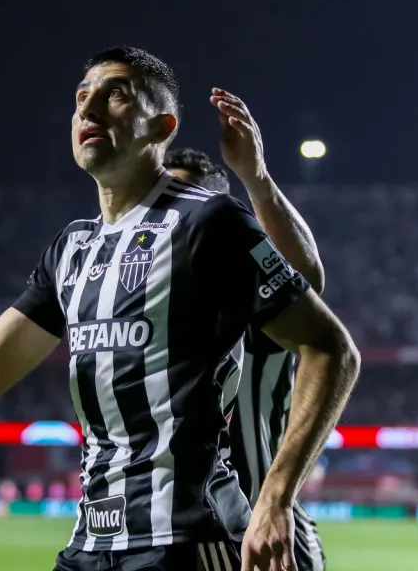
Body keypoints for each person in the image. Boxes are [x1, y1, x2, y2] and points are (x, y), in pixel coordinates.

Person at [0, 46, 360, 571]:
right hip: (92, 544)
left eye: (116, 95)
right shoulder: (72, 248)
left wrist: (275, 499)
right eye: (82, 96)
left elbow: (331, 348)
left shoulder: (208, 222)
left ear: (161, 128)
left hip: (187, 541)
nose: (88, 107)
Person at [163, 90, 327, 571]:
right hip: (173, 542)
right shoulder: (135, 313)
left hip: (263, 536)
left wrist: (255, 178)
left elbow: (306, 277)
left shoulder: (246, 303)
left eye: (186, 203)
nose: (171, 217)